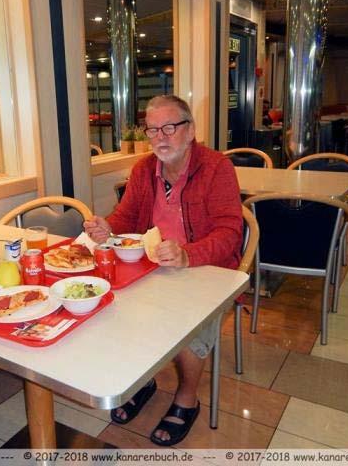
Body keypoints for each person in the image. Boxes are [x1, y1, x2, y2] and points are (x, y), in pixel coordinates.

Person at [83, 95, 243, 446]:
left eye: (170, 127)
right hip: (151, 265)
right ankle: (143, 380)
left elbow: (230, 232)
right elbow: (126, 216)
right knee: (115, 310)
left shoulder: (216, 168)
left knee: (188, 326)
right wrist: (107, 227)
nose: (161, 137)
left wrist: (188, 254)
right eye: (153, 129)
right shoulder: (144, 169)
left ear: (191, 131)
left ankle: (187, 397)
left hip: (206, 269)